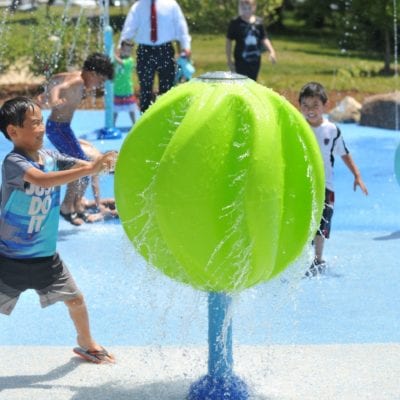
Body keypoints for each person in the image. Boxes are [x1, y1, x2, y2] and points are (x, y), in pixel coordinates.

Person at [0, 97, 116, 363]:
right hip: (9, 258)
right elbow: (42, 179)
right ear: (13, 132)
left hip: (46, 257)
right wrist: (89, 168)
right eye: (34, 124)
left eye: (42, 122)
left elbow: (77, 164)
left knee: (75, 300)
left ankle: (86, 342)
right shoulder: (14, 163)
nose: (41, 128)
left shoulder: (50, 157)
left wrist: (103, 163)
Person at [298, 82, 368, 277]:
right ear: (299, 106)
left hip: (326, 186)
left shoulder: (332, 130)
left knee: (322, 224)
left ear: (325, 106)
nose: (310, 110)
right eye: (305, 105)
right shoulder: (298, 128)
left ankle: (318, 259)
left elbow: (344, 153)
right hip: (303, 184)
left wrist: (357, 175)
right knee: (303, 222)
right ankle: (300, 257)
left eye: (315, 105)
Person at [37, 53, 114, 226]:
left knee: (83, 166)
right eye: (100, 81)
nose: (98, 86)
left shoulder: (75, 76)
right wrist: (54, 100)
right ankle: (67, 207)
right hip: (58, 129)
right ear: (92, 73)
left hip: (62, 129)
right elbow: (59, 87)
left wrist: (44, 94)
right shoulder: (78, 81)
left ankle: (77, 205)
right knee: (83, 167)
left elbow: (56, 79)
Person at [120, 0, 191, 112]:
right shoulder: (138, 6)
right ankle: (145, 118)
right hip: (145, 51)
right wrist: (122, 47)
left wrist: (185, 47)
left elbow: (181, 27)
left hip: (165, 50)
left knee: (167, 88)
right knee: (145, 89)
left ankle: (166, 118)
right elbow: (128, 29)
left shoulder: (171, 4)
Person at [226, 0, 277, 81]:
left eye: (249, 8)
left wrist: (271, 51)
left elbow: (264, 38)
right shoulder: (235, 23)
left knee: (252, 81)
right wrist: (229, 60)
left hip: (255, 60)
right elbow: (228, 41)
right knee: (240, 82)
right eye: (243, 8)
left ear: (254, 7)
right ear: (239, 7)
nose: (246, 10)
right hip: (240, 61)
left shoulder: (258, 23)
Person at [79, 139, 118, 220]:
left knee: (111, 201)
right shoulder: (98, 161)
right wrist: (99, 207)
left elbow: (77, 140)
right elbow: (95, 185)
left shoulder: (95, 150)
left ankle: (84, 203)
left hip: (67, 155)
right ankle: (82, 205)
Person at [114, 39, 137, 126]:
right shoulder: (116, 60)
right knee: (115, 110)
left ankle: (134, 124)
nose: (127, 52)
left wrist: (112, 54)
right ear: (121, 49)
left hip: (127, 90)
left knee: (131, 109)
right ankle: (112, 125)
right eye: (126, 49)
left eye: (129, 50)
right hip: (117, 90)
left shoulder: (130, 61)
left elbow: (121, 63)